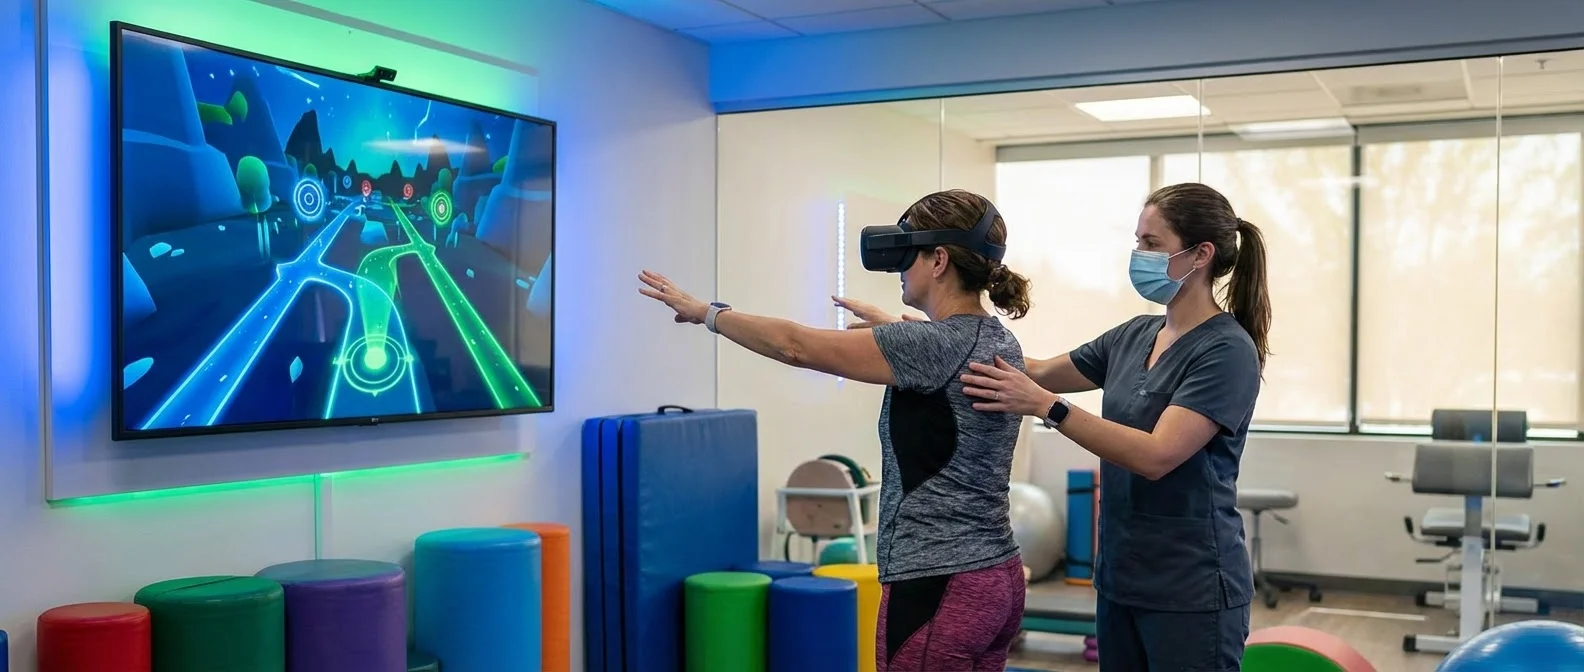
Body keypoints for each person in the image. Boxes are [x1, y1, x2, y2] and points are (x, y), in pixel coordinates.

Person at [845, 182, 1270, 671]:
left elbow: (1158, 455)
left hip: (1192, 586)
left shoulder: (1226, 351)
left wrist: (1050, 409)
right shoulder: (1136, 334)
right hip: (1121, 579)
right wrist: (918, 339)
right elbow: (1031, 369)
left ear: (1201, 254)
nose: (1138, 255)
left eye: (1151, 244)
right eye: (1137, 242)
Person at [640, 189, 1037, 671]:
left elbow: (795, 347)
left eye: (907, 254)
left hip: (938, 580)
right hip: (997, 577)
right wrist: (897, 329)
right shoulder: (1000, 339)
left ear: (938, 260)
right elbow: (946, 354)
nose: (899, 270)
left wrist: (708, 313)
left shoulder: (930, 346)